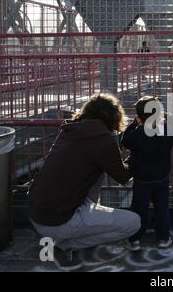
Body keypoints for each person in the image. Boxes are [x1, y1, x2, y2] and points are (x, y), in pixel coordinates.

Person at [28, 93, 141, 271]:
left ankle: (63, 236)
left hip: (37, 214)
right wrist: (140, 153)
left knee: (94, 172)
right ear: (113, 116)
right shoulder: (103, 139)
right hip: (58, 220)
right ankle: (63, 245)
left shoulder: (69, 131)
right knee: (133, 223)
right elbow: (124, 177)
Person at [121, 96, 173, 251]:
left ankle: (134, 240)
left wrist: (134, 124)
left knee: (139, 209)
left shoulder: (136, 134)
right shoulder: (165, 132)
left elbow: (124, 140)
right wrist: (168, 116)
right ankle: (163, 238)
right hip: (161, 177)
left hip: (141, 179)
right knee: (162, 208)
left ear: (140, 116)